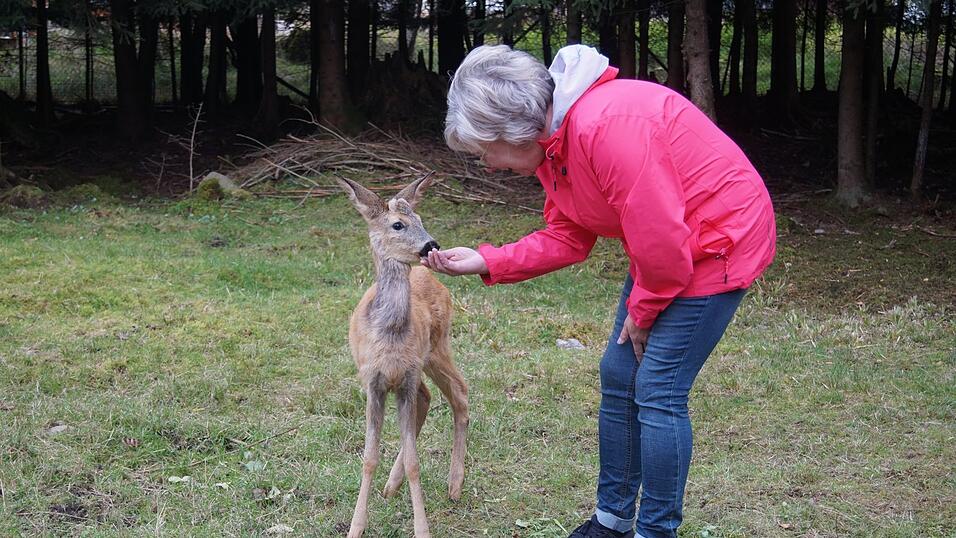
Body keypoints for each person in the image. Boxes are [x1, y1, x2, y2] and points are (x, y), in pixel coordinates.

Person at [422, 44, 776, 538]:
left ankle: (655, 531)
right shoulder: (555, 144)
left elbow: (665, 247)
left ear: (511, 129)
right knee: (619, 371)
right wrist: (489, 259)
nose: (488, 164)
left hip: (716, 242)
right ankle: (611, 523)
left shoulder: (605, 127)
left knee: (657, 389)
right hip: (665, 247)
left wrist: (643, 311)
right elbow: (569, 233)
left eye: (485, 151)